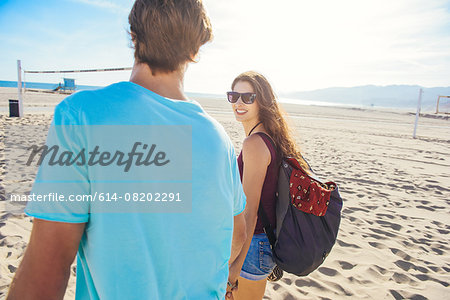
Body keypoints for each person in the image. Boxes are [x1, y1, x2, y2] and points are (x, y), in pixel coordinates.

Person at [7, 1, 247, 299]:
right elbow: (238, 234)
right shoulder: (219, 139)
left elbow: (48, 265)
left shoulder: (82, 115)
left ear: (133, 35)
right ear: (196, 51)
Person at [227, 71, 310, 300]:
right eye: (233, 96)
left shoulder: (254, 143)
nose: (239, 103)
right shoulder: (267, 137)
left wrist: (234, 269)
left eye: (248, 97)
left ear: (261, 101)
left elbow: (250, 213)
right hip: (260, 244)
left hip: (252, 247)